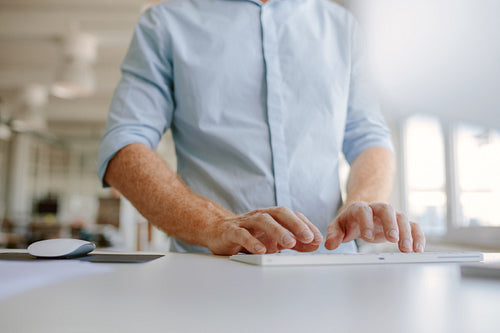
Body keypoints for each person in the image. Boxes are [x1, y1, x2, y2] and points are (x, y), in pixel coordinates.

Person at [97, 0, 425, 255]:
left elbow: (370, 137)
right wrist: (214, 224)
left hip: (333, 267)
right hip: (213, 274)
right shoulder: (165, 23)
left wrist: (363, 201)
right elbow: (124, 146)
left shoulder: (343, 27)